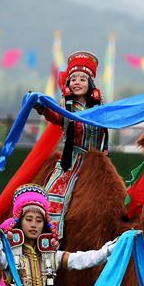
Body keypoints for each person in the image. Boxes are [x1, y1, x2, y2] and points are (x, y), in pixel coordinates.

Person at [36, 51, 107, 238]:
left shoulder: (100, 110)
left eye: (82, 79)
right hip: (71, 162)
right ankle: (48, 240)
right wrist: (41, 107)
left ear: (90, 84)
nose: (77, 82)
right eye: (73, 79)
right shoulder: (66, 108)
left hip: (96, 164)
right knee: (51, 199)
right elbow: (54, 116)